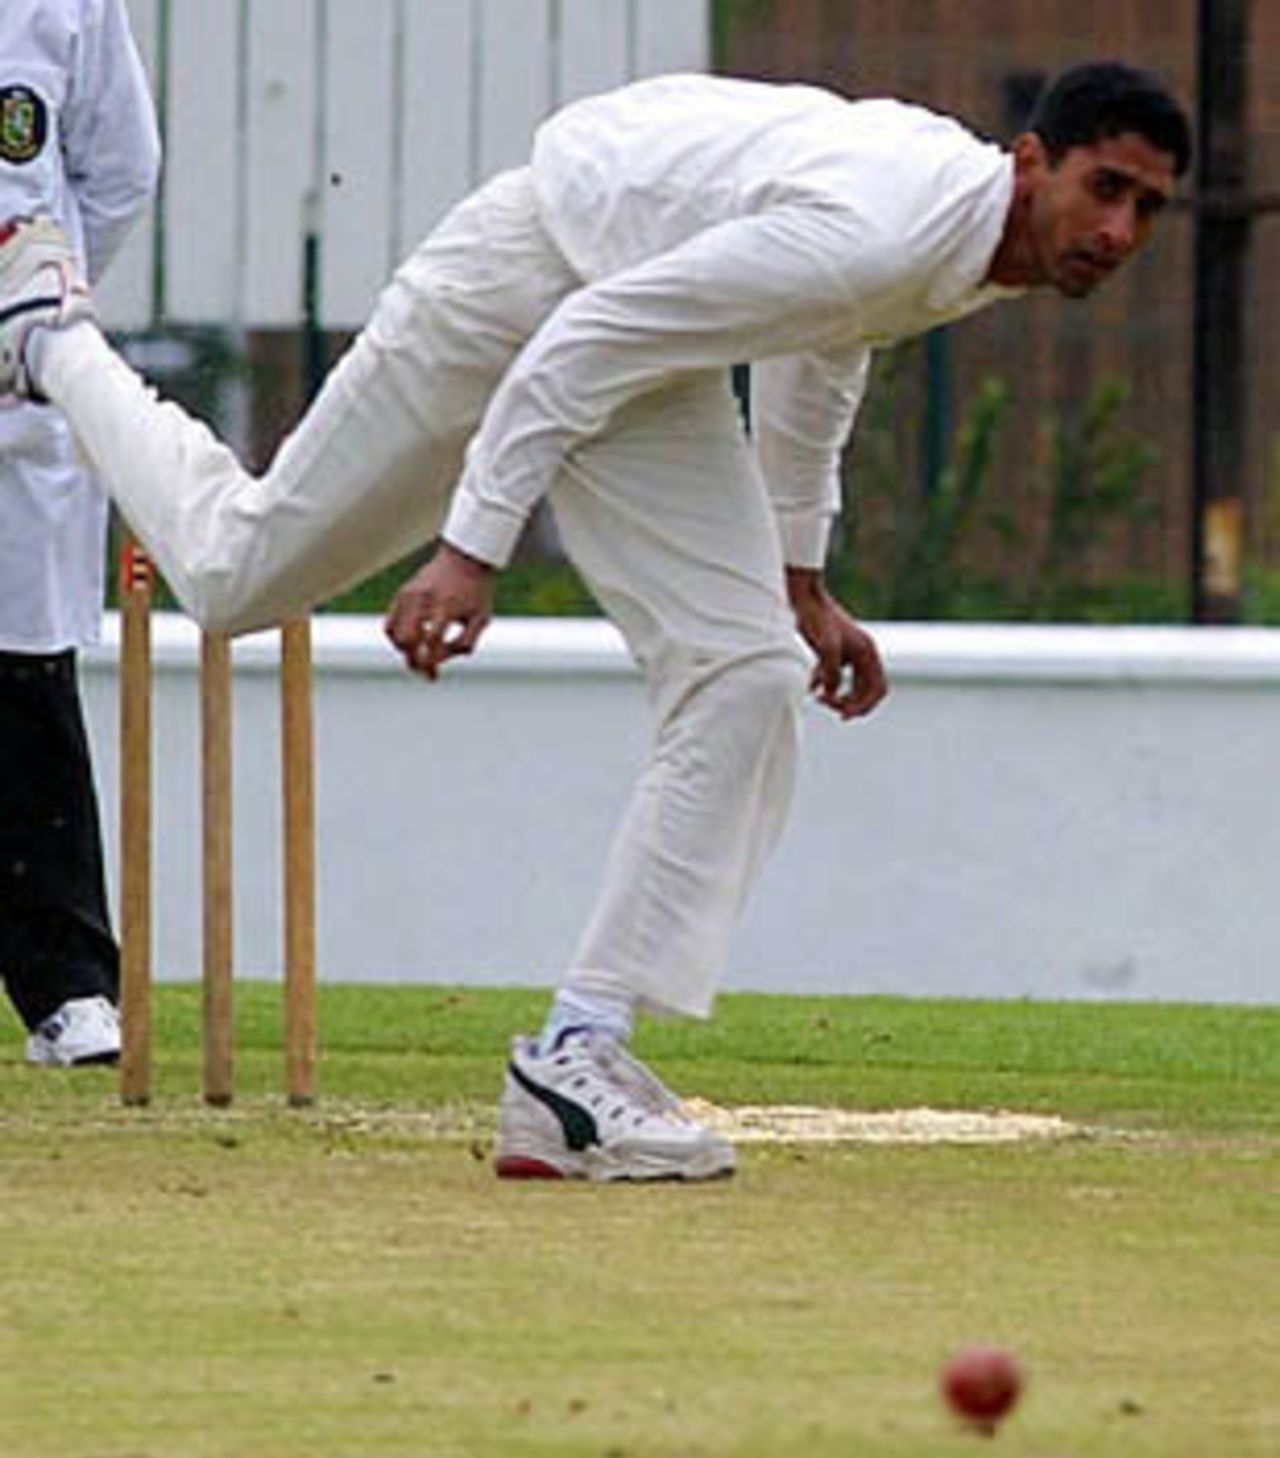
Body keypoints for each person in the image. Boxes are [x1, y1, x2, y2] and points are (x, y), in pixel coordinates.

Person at [0, 61, 1189, 1167]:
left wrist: (799, 573)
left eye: (1145, 209)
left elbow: (822, 342)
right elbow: (581, 338)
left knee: (747, 670)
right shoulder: (890, 228)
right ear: (1030, 161)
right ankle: (52, 333)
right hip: (521, 286)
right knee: (234, 578)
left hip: (622, 324)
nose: (1116, 232)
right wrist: (471, 548)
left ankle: (575, 1055)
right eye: (1103, 189)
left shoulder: (947, 238)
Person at [0, 0, 160, 1066]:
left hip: (14, 409)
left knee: (25, 693)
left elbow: (122, 169)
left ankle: (67, 988)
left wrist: (33, 321)